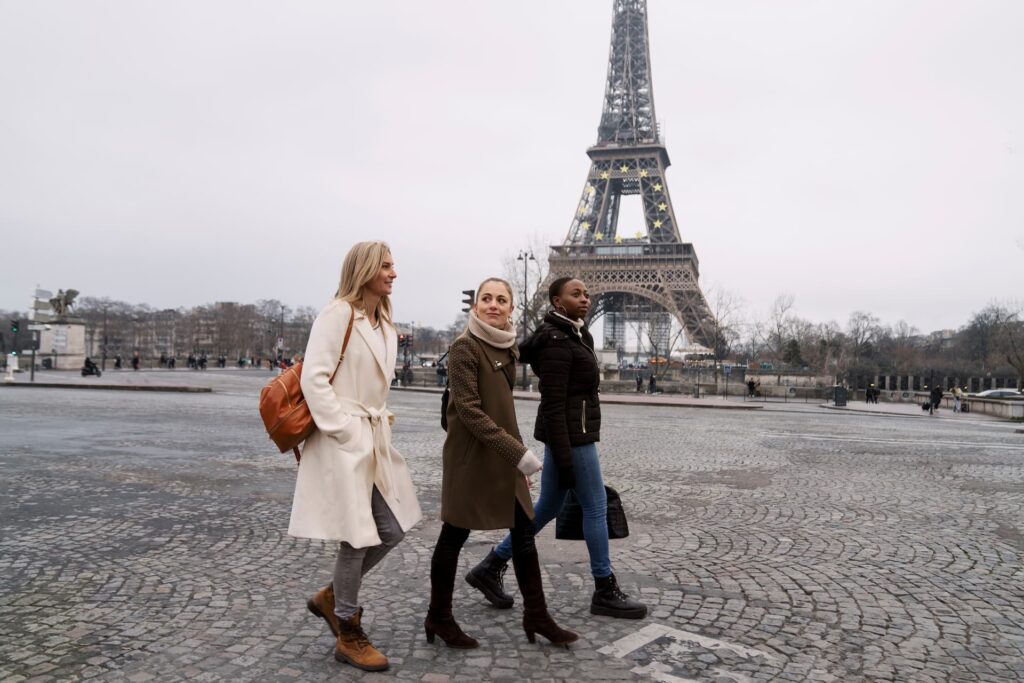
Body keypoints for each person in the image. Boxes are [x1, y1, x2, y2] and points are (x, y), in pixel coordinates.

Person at [466, 277, 647, 620]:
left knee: (547, 506)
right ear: (556, 301)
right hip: (572, 438)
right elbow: (552, 406)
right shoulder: (557, 341)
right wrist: (564, 459)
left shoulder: (574, 333)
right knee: (594, 507)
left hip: (571, 434)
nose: (586, 298)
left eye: (586, 292)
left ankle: (491, 566)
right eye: (576, 293)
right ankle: (604, 589)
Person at [289, 241, 422, 672]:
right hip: (344, 440)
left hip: (372, 438)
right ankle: (347, 629)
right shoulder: (338, 314)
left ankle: (332, 598)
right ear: (364, 269)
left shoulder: (384, 323)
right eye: (386, 266)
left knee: (392, 529)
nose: (393, 273)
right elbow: (315, 378)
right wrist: (345, 430)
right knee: (358, 534)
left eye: (393, 265)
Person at [426, 278, 577, 649]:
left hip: (501, 454)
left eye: (502, 300)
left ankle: (537, 615)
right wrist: (520, 456)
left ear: (512, 308)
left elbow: (504, 413)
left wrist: (516, 459)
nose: (493, 305)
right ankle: (440, 617)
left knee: (524, 535)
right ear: (475, 306)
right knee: (454, 535)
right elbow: (471, 413)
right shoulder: (464, 347)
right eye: (486, 299)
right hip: (470, 457)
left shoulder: (508, 348)